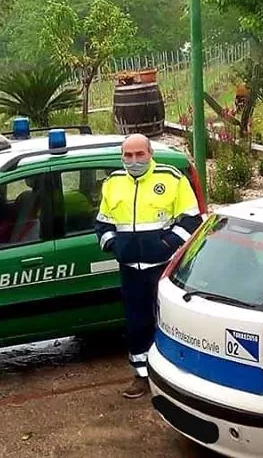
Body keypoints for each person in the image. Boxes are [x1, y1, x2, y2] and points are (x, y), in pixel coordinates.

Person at [95, 134, 203, 399]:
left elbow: (192, 221)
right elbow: (103, 224)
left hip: (164, 269)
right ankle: (142, 376)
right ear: (122, 157)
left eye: (139, 154)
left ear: (150, 153)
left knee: (168, 322)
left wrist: (165, 246)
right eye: (128, 156)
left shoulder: (171, 179)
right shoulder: (113, 183)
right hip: (130, 268)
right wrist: (115, 247)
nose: (133, 161)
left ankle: (177, 379)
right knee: (136, 323)